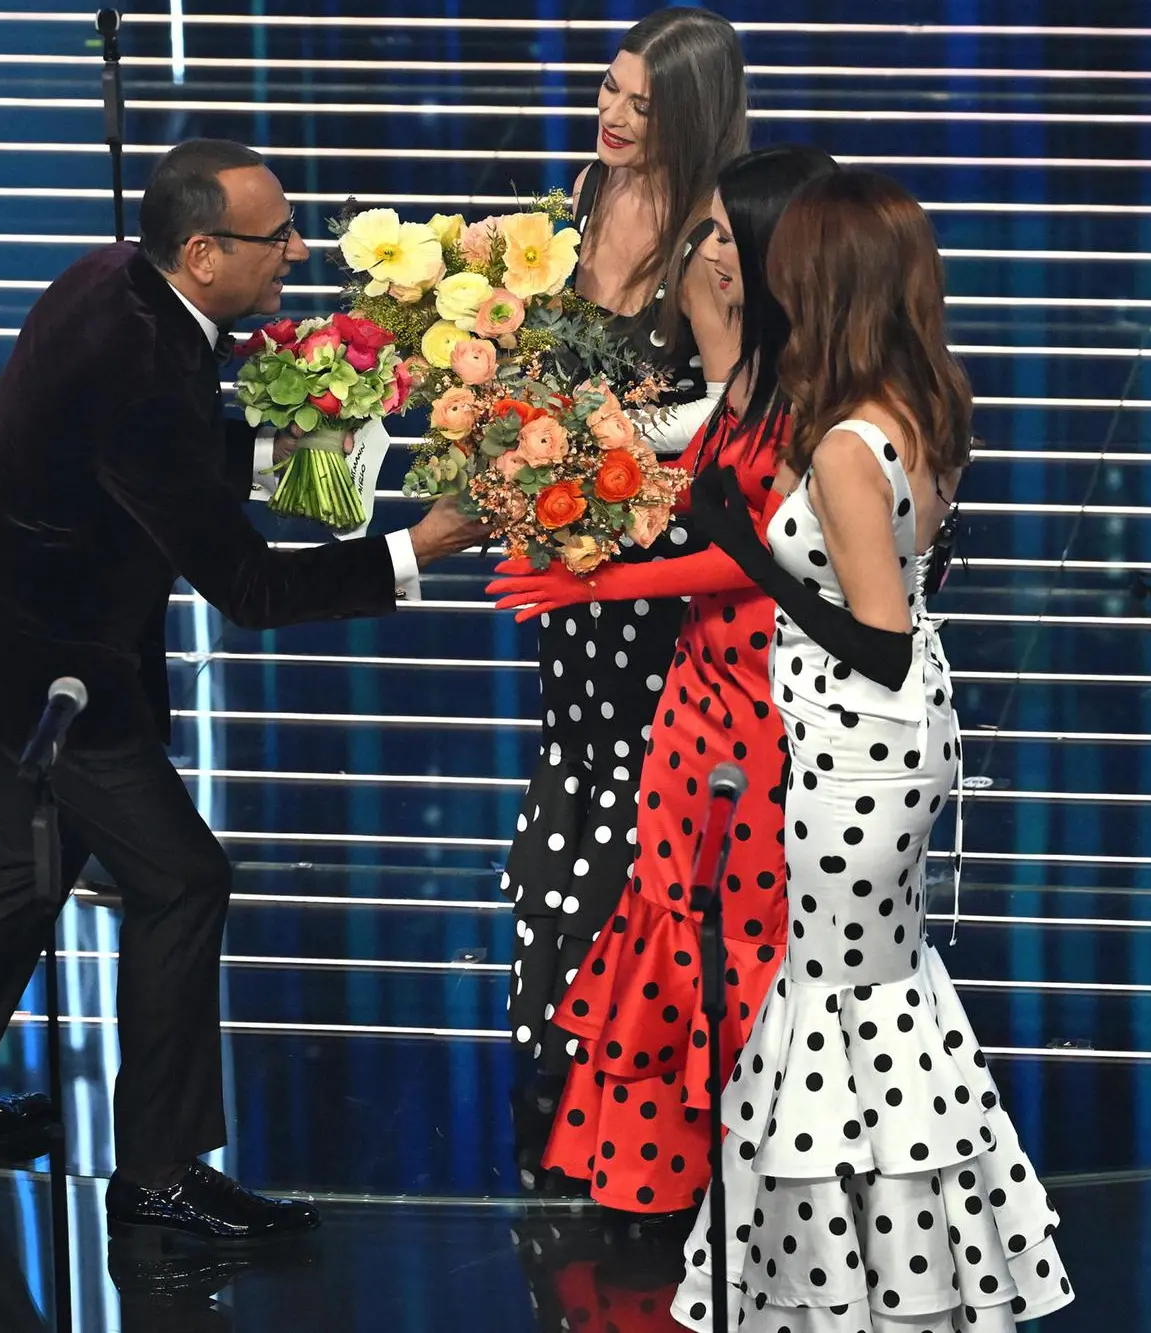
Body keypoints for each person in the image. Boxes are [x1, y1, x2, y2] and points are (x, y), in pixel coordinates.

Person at [0, 138, 484, 1245]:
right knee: (183, 878)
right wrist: (418, 548)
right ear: (200, 252)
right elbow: (245, 585)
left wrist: (277, 449)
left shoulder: (112, 277)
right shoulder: (143, 364)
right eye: (276, 239)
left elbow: (138, 457)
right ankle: (156, 1169)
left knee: (24, 864)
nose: (297, 252)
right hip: (46, 671)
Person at [672, 171, 1072, 1329]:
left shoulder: (849, 443)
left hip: (858, 752)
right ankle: (895, 1272)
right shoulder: (917, 399)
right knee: (878, 1001)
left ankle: (845, 1287)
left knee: (842, 1002)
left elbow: (881, 641)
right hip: (882, 752)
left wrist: (744, 551)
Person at [489, 146, 839, 1219]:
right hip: (694, 689)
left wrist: (598, 575)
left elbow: (756, 553)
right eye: (708, 238)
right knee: (669, 925)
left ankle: (757, 1174)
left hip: (750, 695)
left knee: (733, 936)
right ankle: (664, 1173)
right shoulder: (753, 370)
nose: (711, 256)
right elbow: (693, 442)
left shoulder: (817, 388)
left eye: (731, 237)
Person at [498, 4, 749, 1196]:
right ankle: (558, 1053)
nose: (611, 114)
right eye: (607, 91)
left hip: (654, 577)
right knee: (575, 764)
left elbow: (735, 412)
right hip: (574, 571)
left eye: (640, 104)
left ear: (688, 116)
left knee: (642, 799)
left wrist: (616, 443)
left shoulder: (709, 239)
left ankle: (640, 1092)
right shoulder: (580, 205)